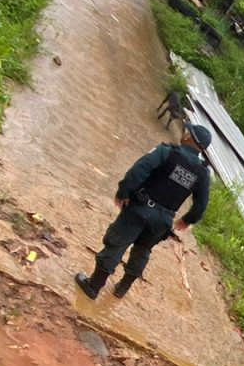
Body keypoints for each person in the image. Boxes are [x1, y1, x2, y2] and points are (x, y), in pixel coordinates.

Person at [75, 122, 212, 301]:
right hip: (163, 220)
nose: (184, 133)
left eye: (187, 132)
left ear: (188, 137)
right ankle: (121, 289)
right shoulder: (202, 173)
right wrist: (187, 220)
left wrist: (124, 192)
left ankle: (93, 286)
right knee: (143, 250)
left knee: (116, 243)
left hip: (140, 209)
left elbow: (139, 170)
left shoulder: (166, 152)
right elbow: (201, 204)